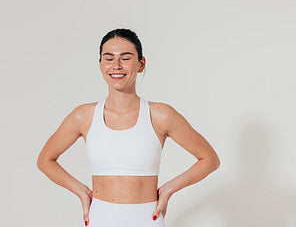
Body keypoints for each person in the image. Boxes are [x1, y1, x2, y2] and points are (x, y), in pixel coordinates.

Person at [37, 28, 220, 227]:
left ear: (141, 64)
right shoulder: (84, 116)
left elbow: (209, 159)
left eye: (125, 58)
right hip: (100, 219)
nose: (116, 65)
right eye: (108, 58)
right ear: (100, 64)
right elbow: (45, 160)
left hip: (146, 219)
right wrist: (81, 191)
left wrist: (169, 189)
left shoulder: (160, 115)